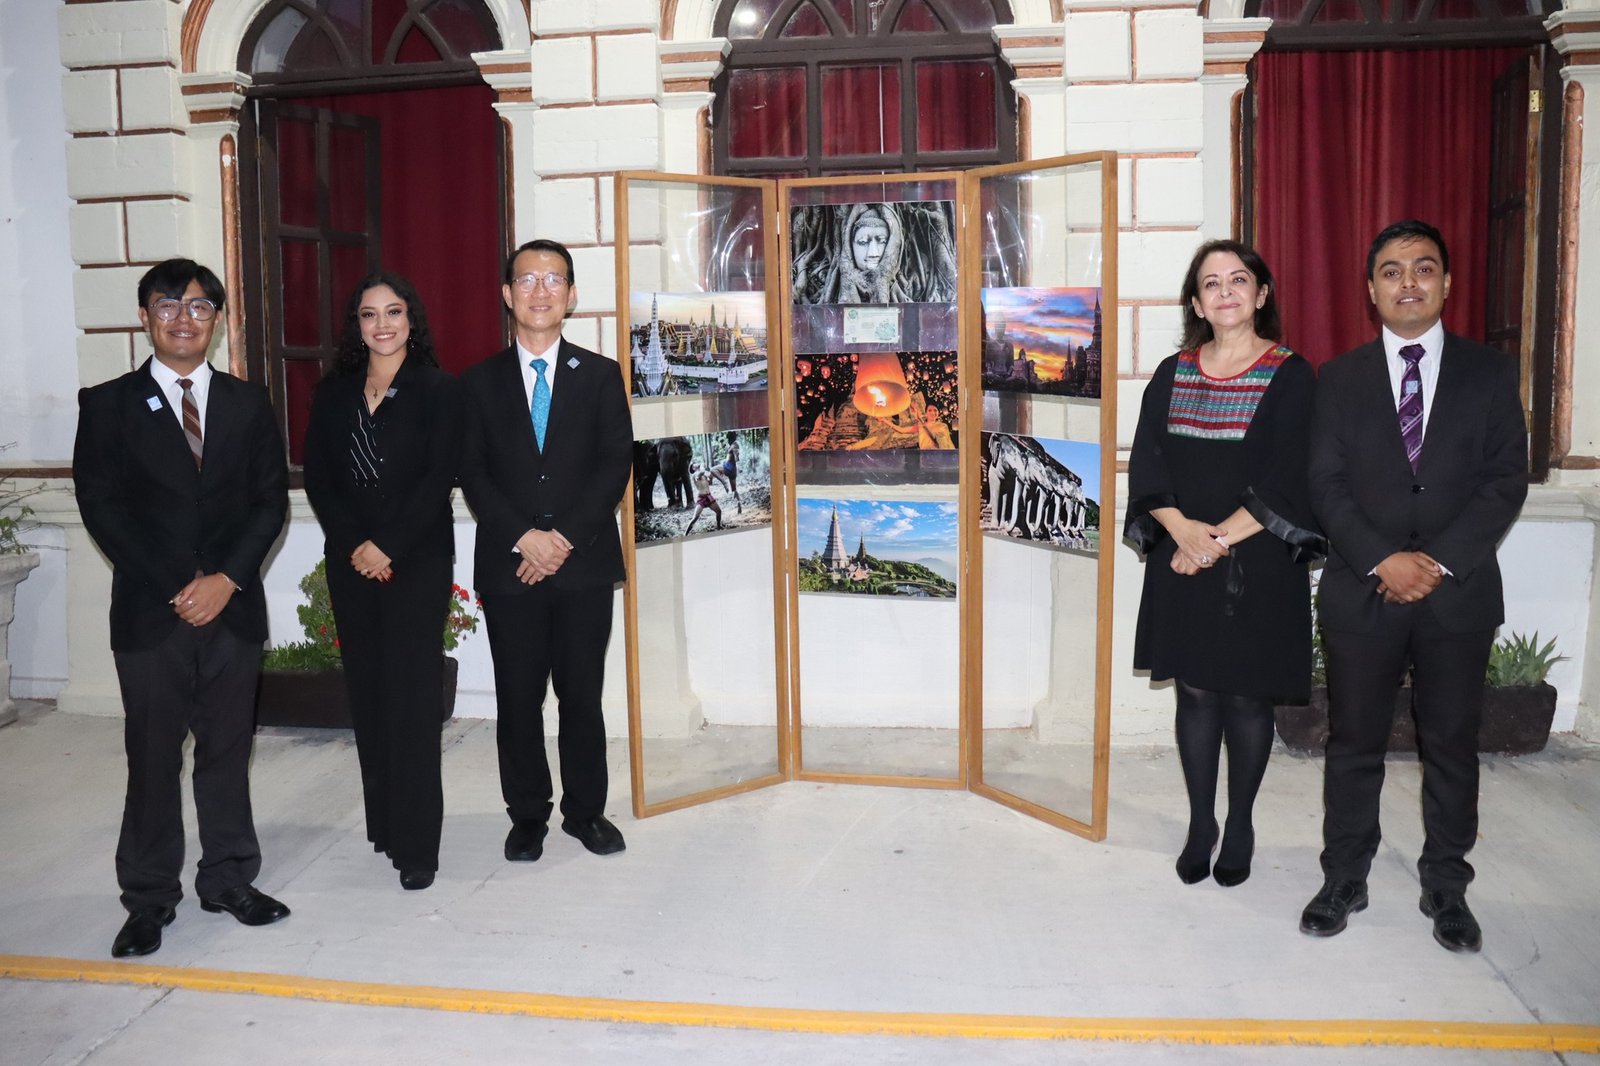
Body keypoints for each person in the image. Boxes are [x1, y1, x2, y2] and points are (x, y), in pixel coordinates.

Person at [1300, 220, 1527, 953]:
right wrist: (1382, 560)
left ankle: (1446, 886)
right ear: (1371, 289)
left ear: (1446, 283)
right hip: (1363, 589)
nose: (1408, 282)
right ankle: (1345, 876)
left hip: (1456, 594)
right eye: (1392, 271)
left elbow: (1503, 482)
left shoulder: (1490, 375)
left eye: (1424, 268)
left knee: (1452, 745)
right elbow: (1325, 485)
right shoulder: (1336, 379)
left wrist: (1434, 564)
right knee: (1353, 742)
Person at [73, 258, 290, 957]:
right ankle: (148, 898)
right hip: (151, 612)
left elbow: (268, 503)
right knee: (152, 756)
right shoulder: (105, 404)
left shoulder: (249, 402)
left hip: (231, 610)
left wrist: (225, 580)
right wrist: (181, 583)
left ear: (217, 321)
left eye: (199, 306)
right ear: (145, 317)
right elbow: (102, 509)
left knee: (227, 753)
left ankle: (228, 879)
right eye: (167, 305)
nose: (183, 318)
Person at [1125, 240, 1322, 889]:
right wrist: (1184, 534)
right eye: (1212, 283)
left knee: (1245, 695)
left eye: (1240, 279)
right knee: (1197, 691)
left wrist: (1215, 543)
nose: (1226, 291)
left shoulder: (1292, 374)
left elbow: (1290, 475)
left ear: (1261, 294)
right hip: (1183, 555)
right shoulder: (1171, 372)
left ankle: (1240, 824)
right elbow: (1149, 463)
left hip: (1257, 559)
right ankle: (1201, 823)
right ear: (1196, 303)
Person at [459, 239, 633, 862]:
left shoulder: (602, 374)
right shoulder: (478, 383)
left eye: (553, 280)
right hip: (511, 569)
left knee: (582, 695)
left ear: (572, 295)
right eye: (526, 280)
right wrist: (522, 537)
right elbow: (473, 472)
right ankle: (527, 813)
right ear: (507, 295)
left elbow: (615, 465)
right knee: (518, 697)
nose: (540, 291)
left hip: (581, 564)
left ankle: (586, 813)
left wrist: (560, 540)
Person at [302, 272, 462, 892]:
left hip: (415, 561)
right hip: (351, 563)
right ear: (356, 327)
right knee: (368, 693)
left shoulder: (439, 390)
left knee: (413, 699)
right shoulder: (334, 393)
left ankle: (419, 844)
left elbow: (437, 478)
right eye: (369, 315)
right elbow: (320, 479)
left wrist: (387, 545)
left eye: (394, 312)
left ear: (412, 320)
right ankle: (386, 825)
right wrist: (355, 546)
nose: (383, 324)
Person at [684, 461, 728, 534]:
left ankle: (718, 528)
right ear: (693, 468)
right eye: (693, 464)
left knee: (719, 512)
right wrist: (702, 464)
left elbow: (710, 482)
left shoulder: (704, 474)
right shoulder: (695, 475)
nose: (696, 463)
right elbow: (702, 471)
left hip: (708, 496)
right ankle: (685, 534)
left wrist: (712, 477)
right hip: (701, 498)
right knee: (695, 518)